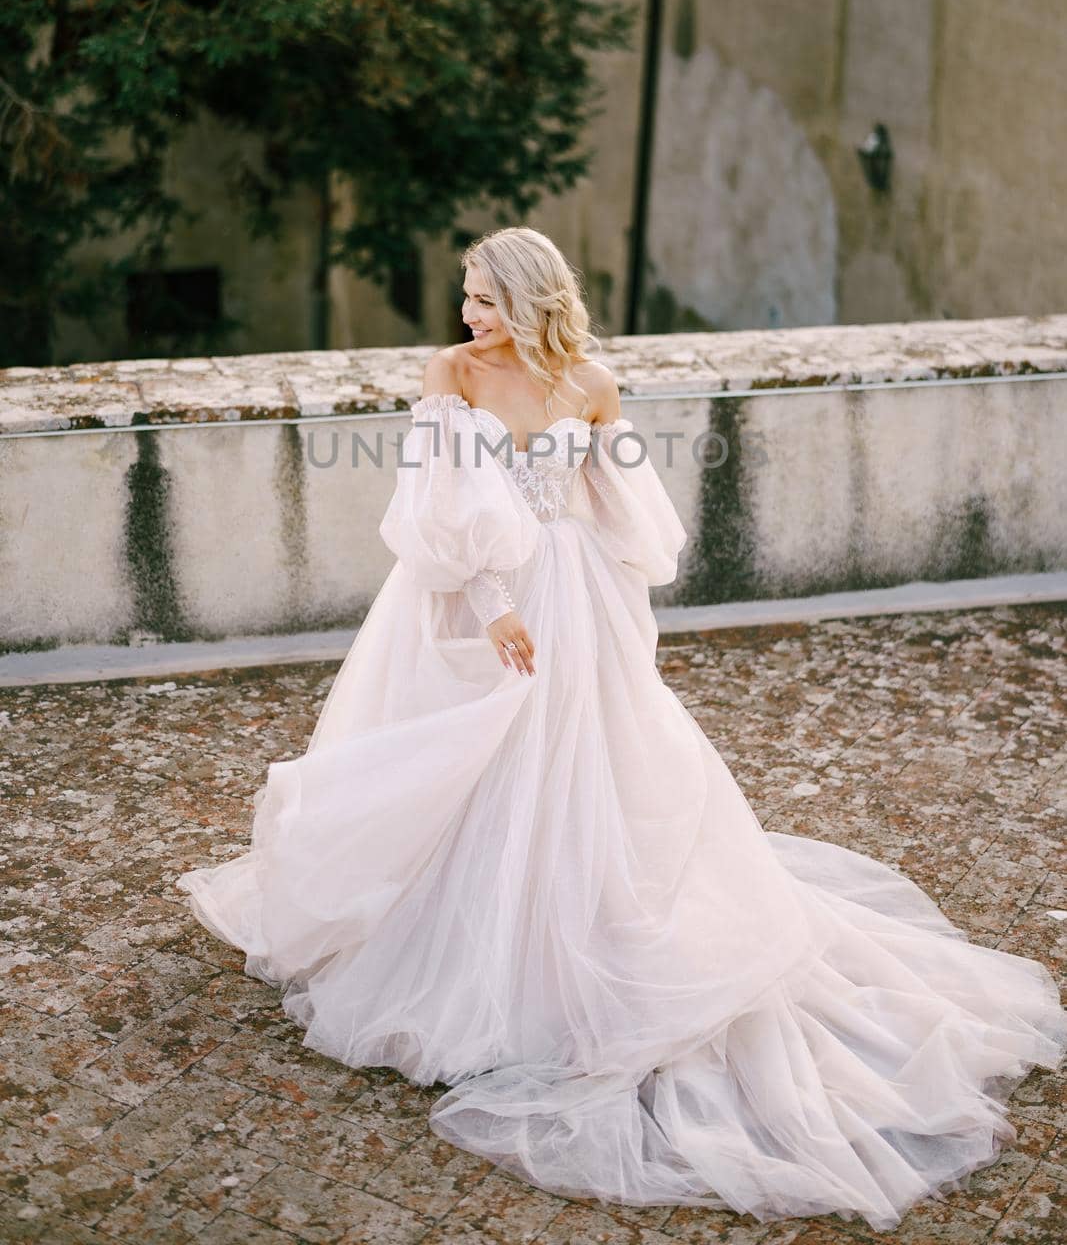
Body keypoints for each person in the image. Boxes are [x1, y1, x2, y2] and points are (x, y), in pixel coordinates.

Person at [177, 225, 1067, 1231]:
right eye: (465, 295)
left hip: (568, 590)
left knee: (582, 767)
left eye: (482, 298)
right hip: (475, 597)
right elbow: (429, 500)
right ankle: (454, 932)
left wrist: (598, 574)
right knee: (462, 764)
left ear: (530, 299)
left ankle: (579, 931)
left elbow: (625, 500)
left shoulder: (592, 385)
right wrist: (487, 597)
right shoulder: (450, 372)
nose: (466, 314)